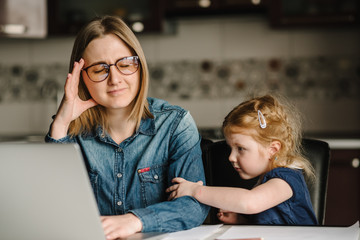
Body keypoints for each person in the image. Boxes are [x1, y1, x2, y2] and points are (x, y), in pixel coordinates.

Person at [45, 15, 209, 239]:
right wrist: (61, 123)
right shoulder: (70, 133)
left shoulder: (175, 124)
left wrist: (135, 221)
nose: (115, 79)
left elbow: (193, 206)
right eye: (99, 69)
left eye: (125, 64)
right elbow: (50, 210)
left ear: (140, 66)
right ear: (81, 78)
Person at [166, 94, 318, 225]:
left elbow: (250, 202)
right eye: (230, 148)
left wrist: (195, 191)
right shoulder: (265, 180)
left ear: (272, 150)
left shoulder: (286, 180)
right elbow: (273, 225)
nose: (231, 157)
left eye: (240, 149)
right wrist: (242, 221)